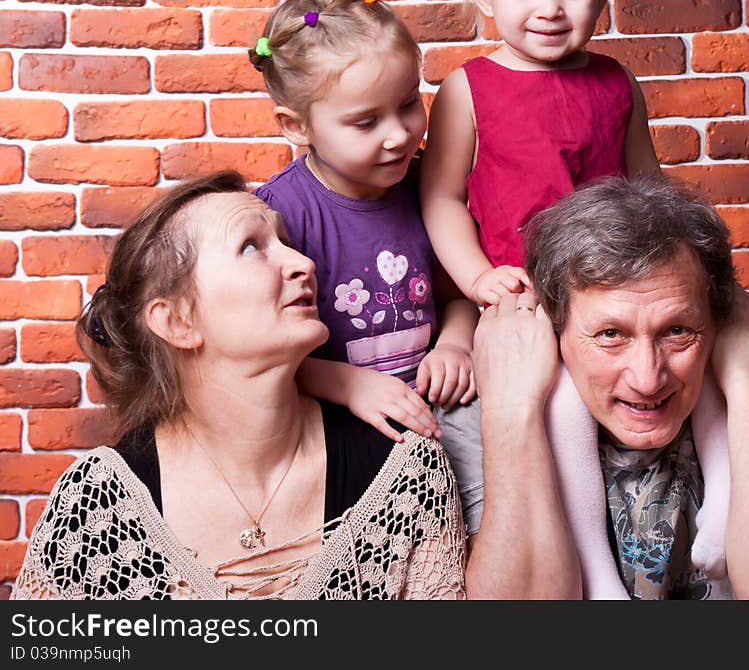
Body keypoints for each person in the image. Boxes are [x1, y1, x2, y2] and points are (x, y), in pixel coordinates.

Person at [421, 0, 728, 596]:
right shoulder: (469, 88)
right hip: (524, 295)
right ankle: (597, 572)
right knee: (558, 405)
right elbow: (439, 199)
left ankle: (722, 516)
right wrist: (475, 282)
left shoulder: (618, 85)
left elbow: (650, 193)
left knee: (715, 370)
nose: (549, 10)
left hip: (613, 295)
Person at [12, 173, 467, 601]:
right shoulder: (95, 508)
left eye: (285, 242)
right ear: (177, 321)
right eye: (251, 247)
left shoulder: (406, 475)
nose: (304, 263)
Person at [456, 175, 749, 600]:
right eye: (611, 334)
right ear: (553, 330)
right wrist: (512, 413)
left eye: (678, 331)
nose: (648, 378)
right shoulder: (484, 408)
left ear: (719, 323)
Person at [251, 0, 478, 444]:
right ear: (297, 125)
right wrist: (348, 383)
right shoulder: (280, 214)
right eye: (366, 121)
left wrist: (455, 343)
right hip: (328, 429)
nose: (399, 134)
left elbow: (457, 294)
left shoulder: (430, 189)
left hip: (433, 418)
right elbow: (258, 349)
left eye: (409, 104)